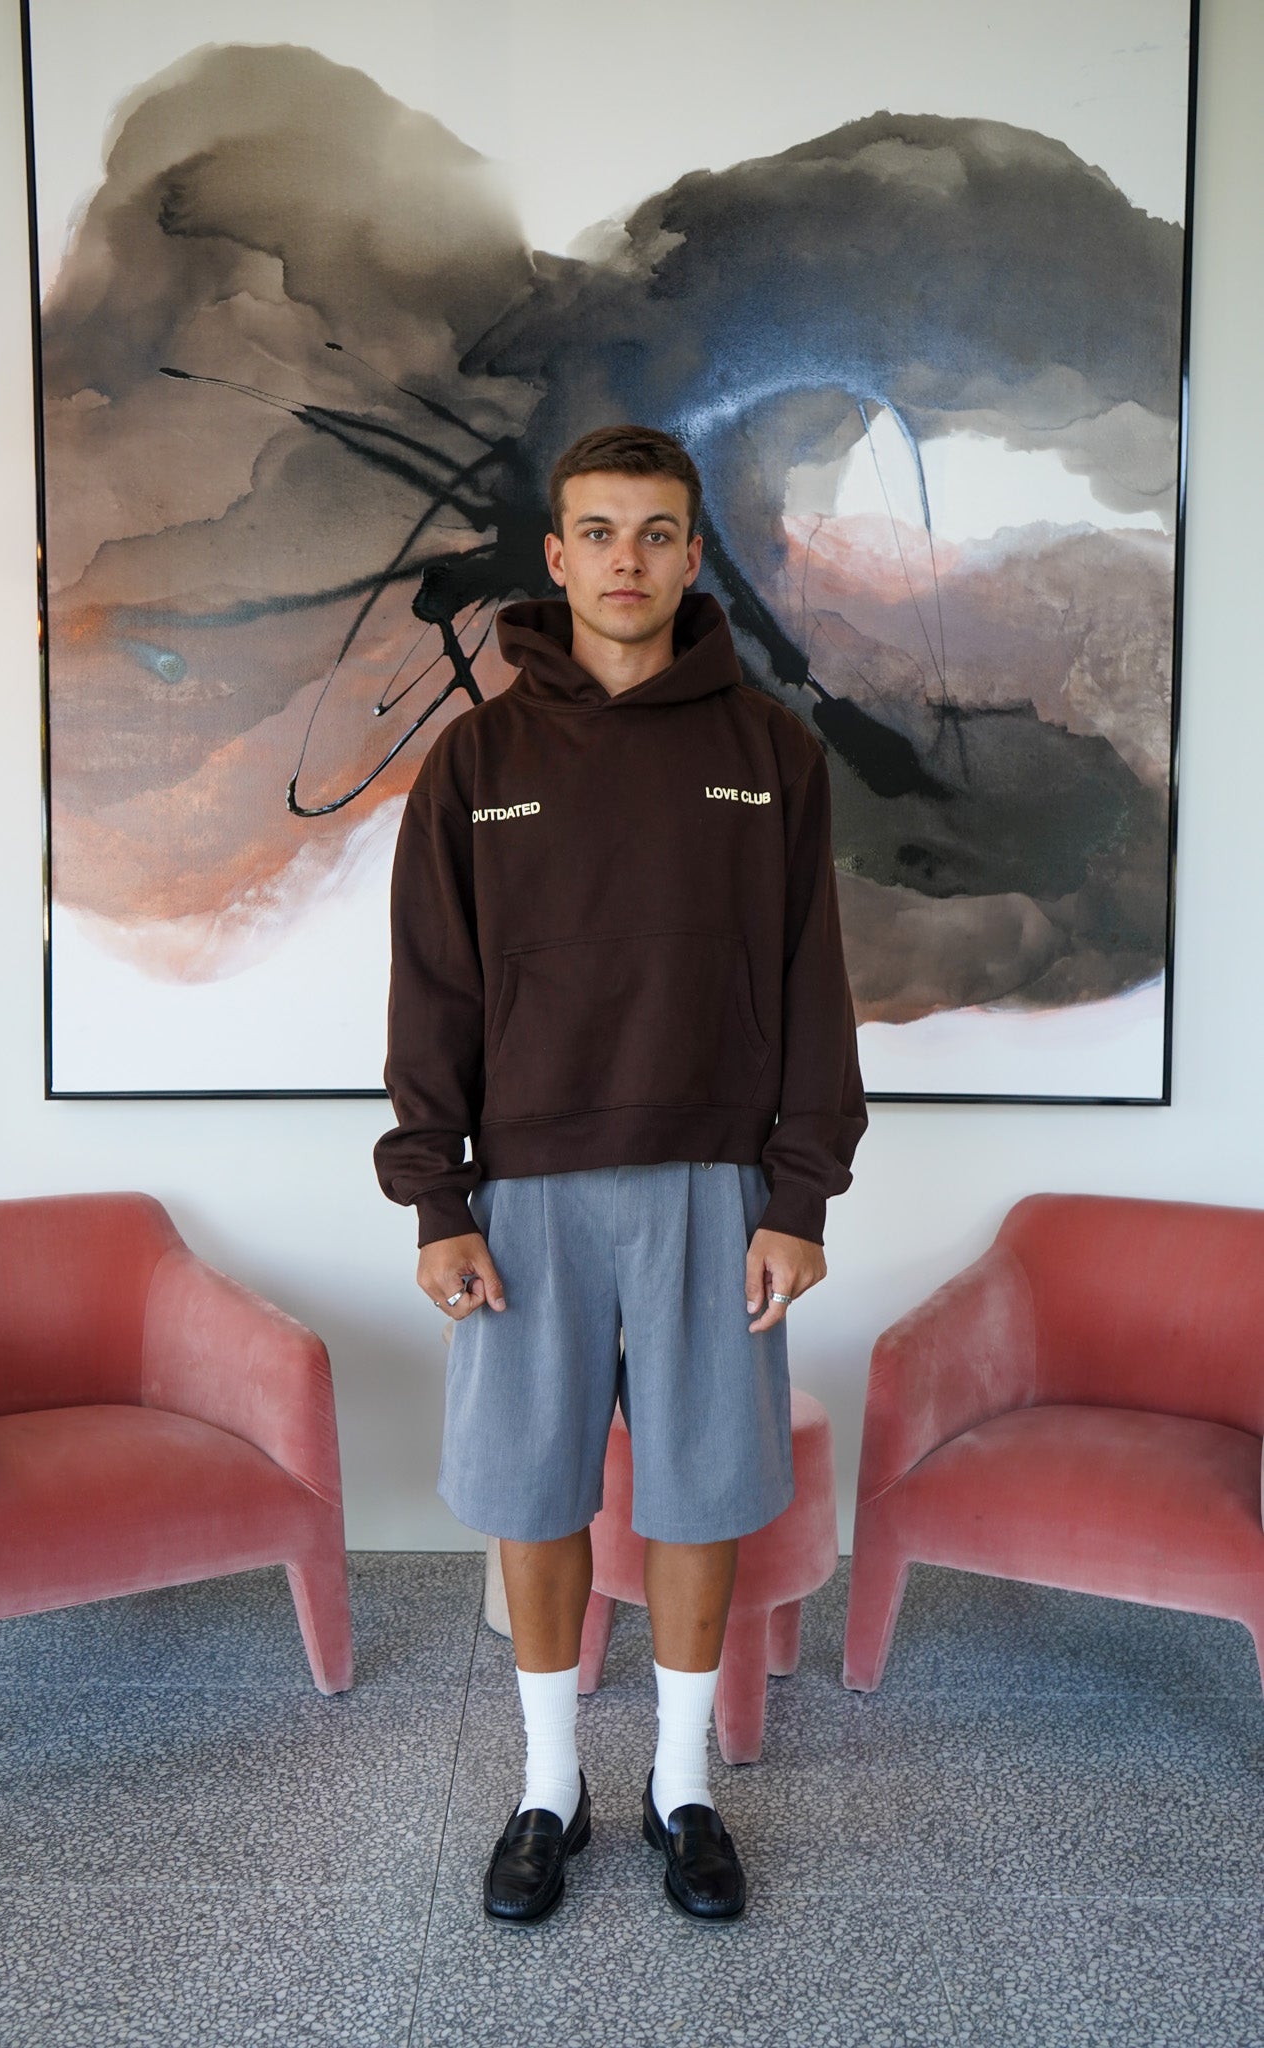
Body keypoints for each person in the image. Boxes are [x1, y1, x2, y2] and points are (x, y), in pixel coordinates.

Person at [373, 423, 867, 1927]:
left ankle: (681, 1787)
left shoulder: (771, 754)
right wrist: (437, 1199)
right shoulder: (476, 761)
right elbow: (431, 995)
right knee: (532, 1495)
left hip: (717, 1189)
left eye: (656, 533)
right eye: (598, 532)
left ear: (694, 554)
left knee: (700, 1493)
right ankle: (548, 1788)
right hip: (525, 1192)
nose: (627, 560)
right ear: (555, 555)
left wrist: (800, 1198)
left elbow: (813, 989)